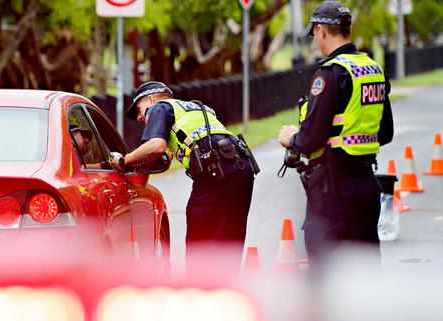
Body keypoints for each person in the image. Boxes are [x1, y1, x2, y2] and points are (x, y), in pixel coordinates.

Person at [277, 0, 394, 264]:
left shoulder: (330, 74)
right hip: (366, 187)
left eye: (315, 33)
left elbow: (310, 140)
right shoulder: (373, 70)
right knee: (364, 275)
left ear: (320, 30)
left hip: (333, 193)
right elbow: (385, 132)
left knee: (327, 277)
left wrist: (291, 138)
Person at [111, 81, 256, 253]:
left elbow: (156, 146)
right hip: (243, 167)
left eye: (139, 109)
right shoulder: (195, 107)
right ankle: (226, 278)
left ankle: (199, 279)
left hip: (215, 170)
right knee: (231, 238)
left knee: (199, 237)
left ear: (150, 99)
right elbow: (166, 157)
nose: (140, 117)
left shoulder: (159, 108)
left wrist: (124, 161)